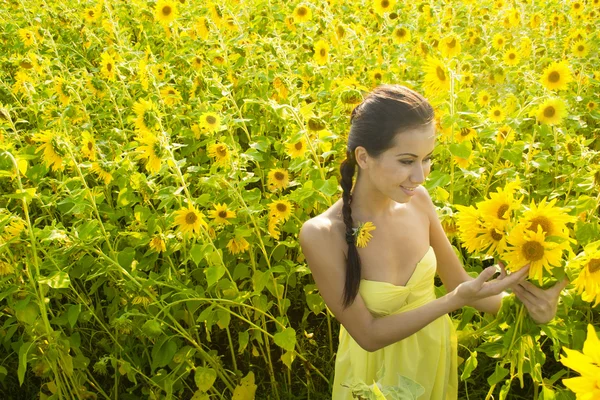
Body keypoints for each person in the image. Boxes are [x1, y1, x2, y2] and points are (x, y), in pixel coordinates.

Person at [298, 84, 568, 399]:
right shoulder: (322, 234)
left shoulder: (419, 201)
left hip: (432, 353)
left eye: (427, 159)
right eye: (406, 161)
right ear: (363, 157)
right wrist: (453, 301)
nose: (421, 176)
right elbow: (368, 335)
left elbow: (460, 282)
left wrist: (529, 310)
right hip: (372, 376)